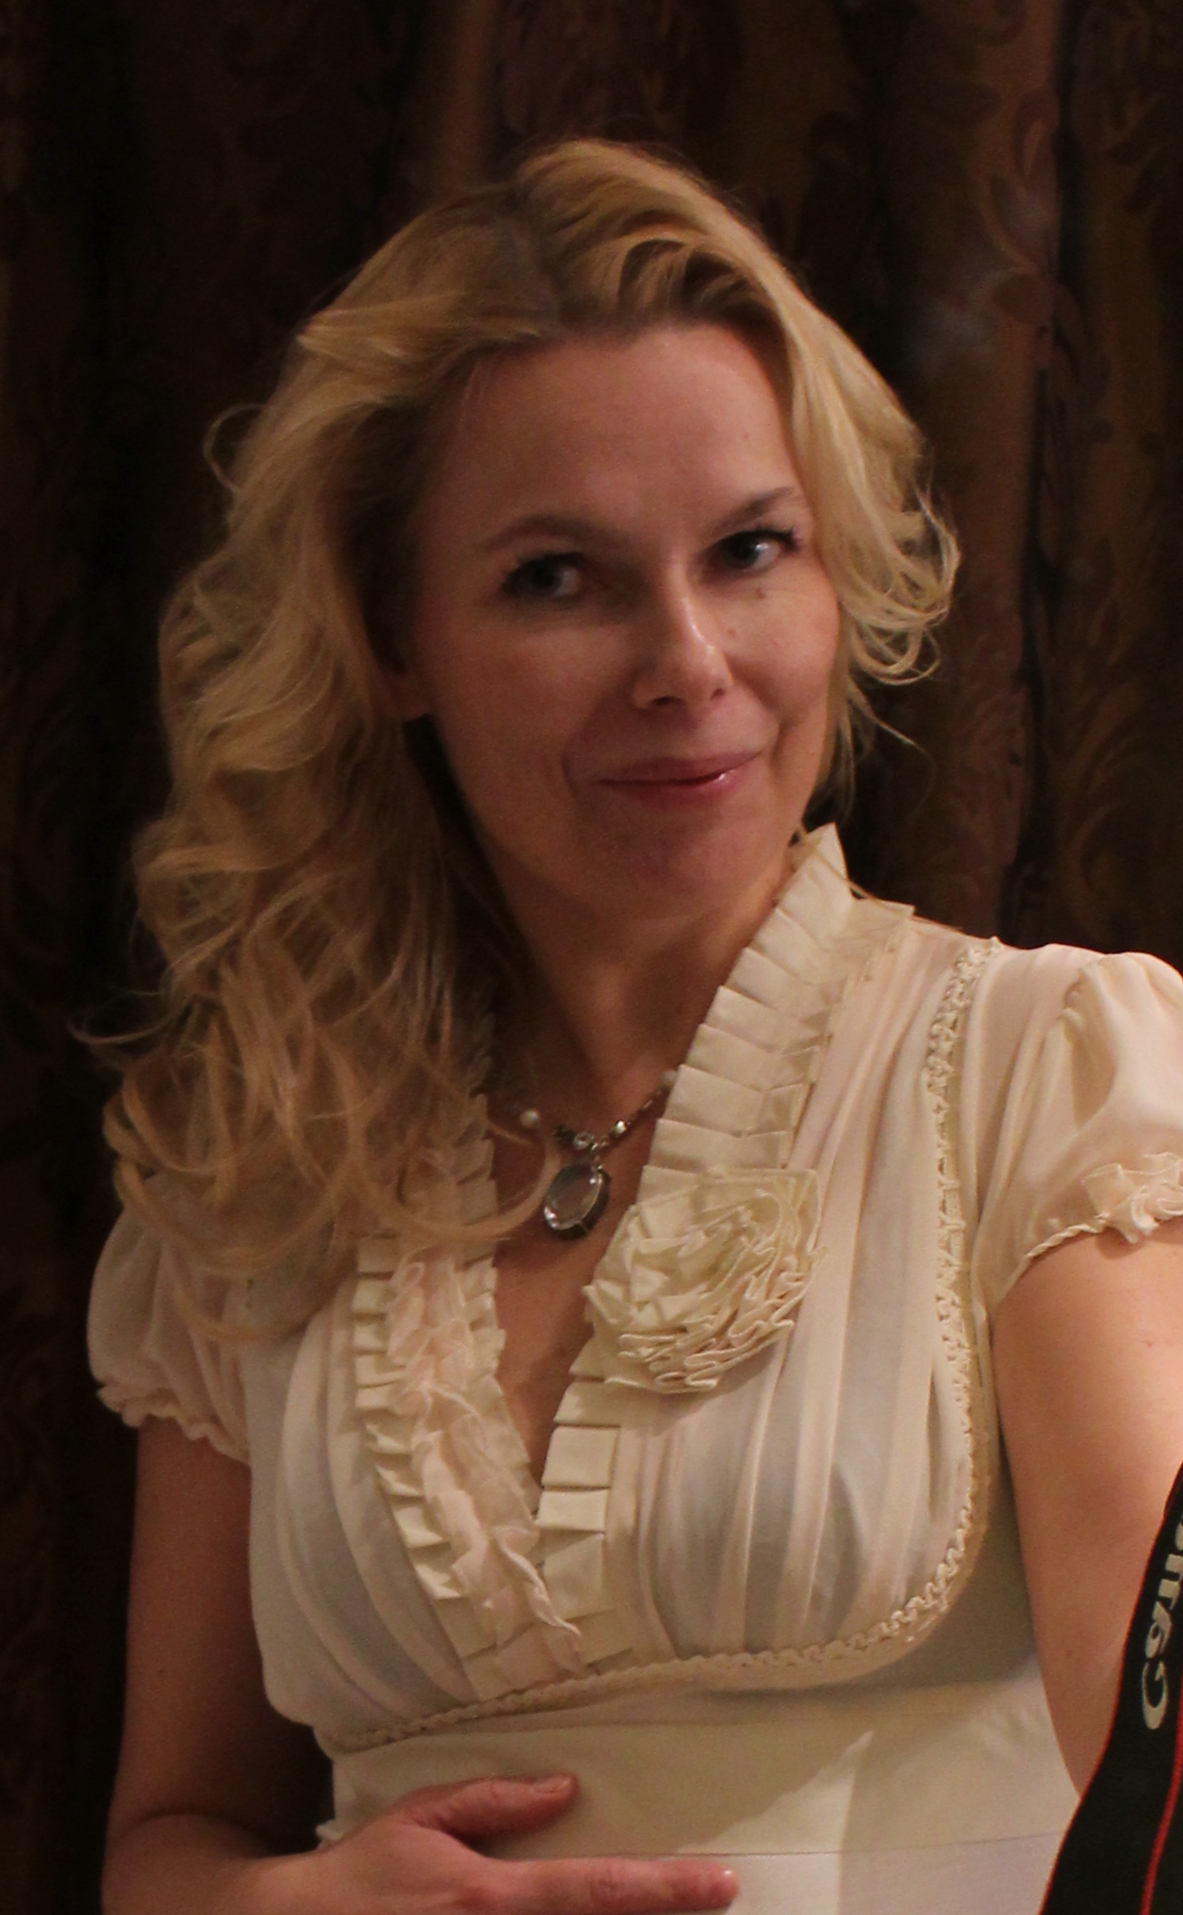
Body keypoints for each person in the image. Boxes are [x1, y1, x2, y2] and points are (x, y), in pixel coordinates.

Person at [88, 139, 1183, 1915]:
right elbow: (166, 1844)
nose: (688, 661)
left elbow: (1164, 1798)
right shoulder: (254, 1181)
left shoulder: (1036, 1071)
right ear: (393, 641)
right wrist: (288, 1904)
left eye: (750, 550)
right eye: (558, 579)